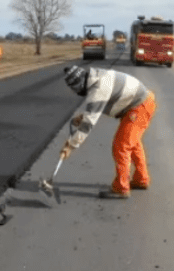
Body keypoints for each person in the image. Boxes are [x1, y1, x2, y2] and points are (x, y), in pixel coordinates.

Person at [60, 65, 156, 199]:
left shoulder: (97, 89)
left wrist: (71, 145)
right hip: (141, 103)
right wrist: (83, 117)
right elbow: (103, 104)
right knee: (133, 144)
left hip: (139, 107)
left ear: (79, 83)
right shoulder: (97, 77)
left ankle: (121, 188)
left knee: (121, 146)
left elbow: (88, 124)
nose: (76, 92)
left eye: (74, 88)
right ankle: (141, 179)